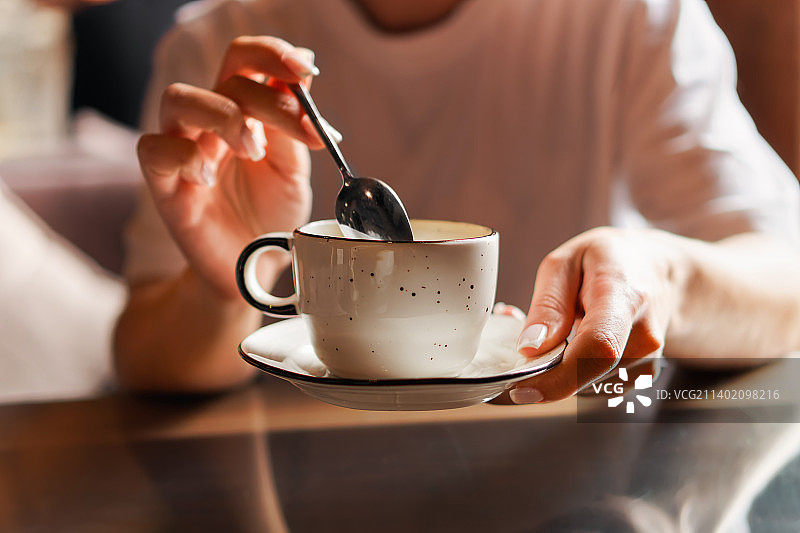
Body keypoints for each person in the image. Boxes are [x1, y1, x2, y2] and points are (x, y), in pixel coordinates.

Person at [114, 0, 800, 402]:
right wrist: (234, 284)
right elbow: (144, 357)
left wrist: (658, 274)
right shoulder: (223, 48)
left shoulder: (628, 18)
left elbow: (786, 282)